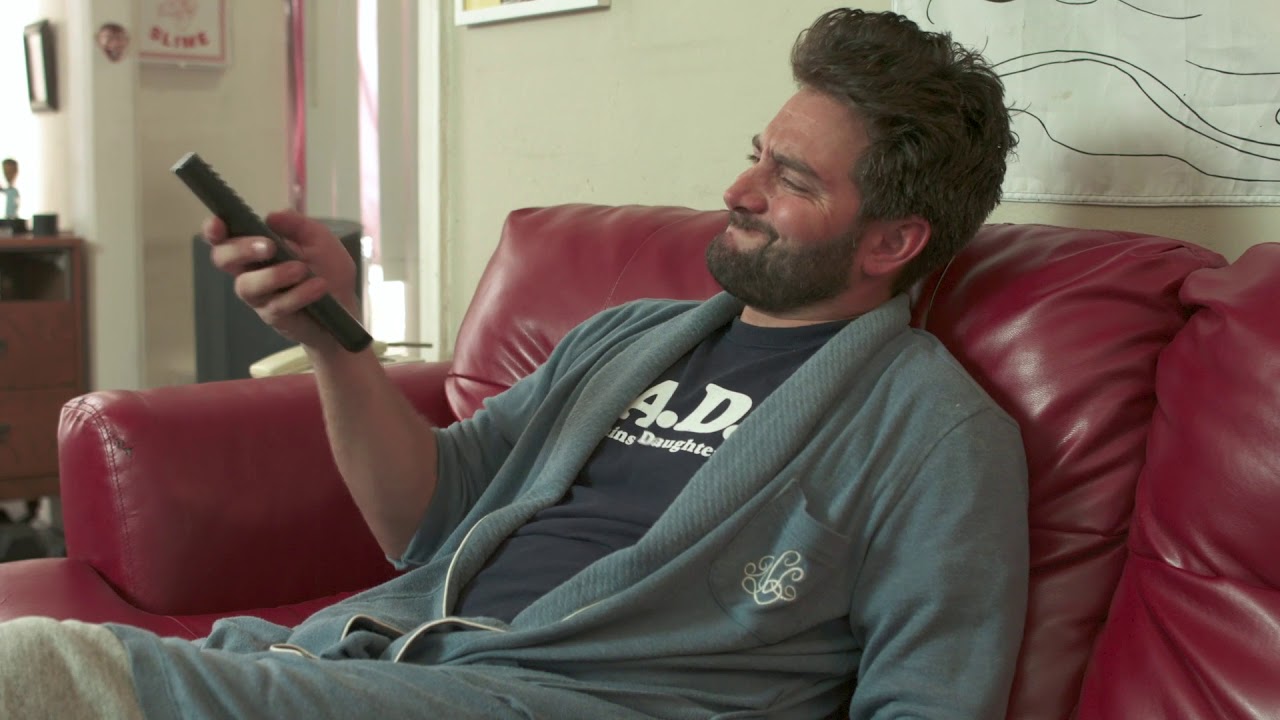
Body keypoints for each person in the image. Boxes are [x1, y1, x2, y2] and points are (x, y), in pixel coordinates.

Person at [0, 9, 1028, 719]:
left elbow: (931, 696)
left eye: (790, 179)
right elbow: (425, 520)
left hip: (559, 698)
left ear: (892, 241)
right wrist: (333, 341)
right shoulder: (627, 339)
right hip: (381, 661)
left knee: (41, 670)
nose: (737, 189)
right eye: (755, 152)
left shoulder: (932, 432)